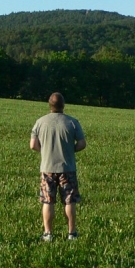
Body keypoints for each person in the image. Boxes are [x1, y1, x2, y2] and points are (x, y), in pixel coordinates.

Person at [30, 92, 86, 241]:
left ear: (49, 105)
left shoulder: (40, 122)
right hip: (67, 168)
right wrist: (70, 150)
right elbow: (82, 144)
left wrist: (46, 151)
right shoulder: (72, 122)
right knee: (69, 201)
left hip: (47, 168)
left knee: (48, 201)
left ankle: (48, 234)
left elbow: (33, 145)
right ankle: (72, 233)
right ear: (63, 105)